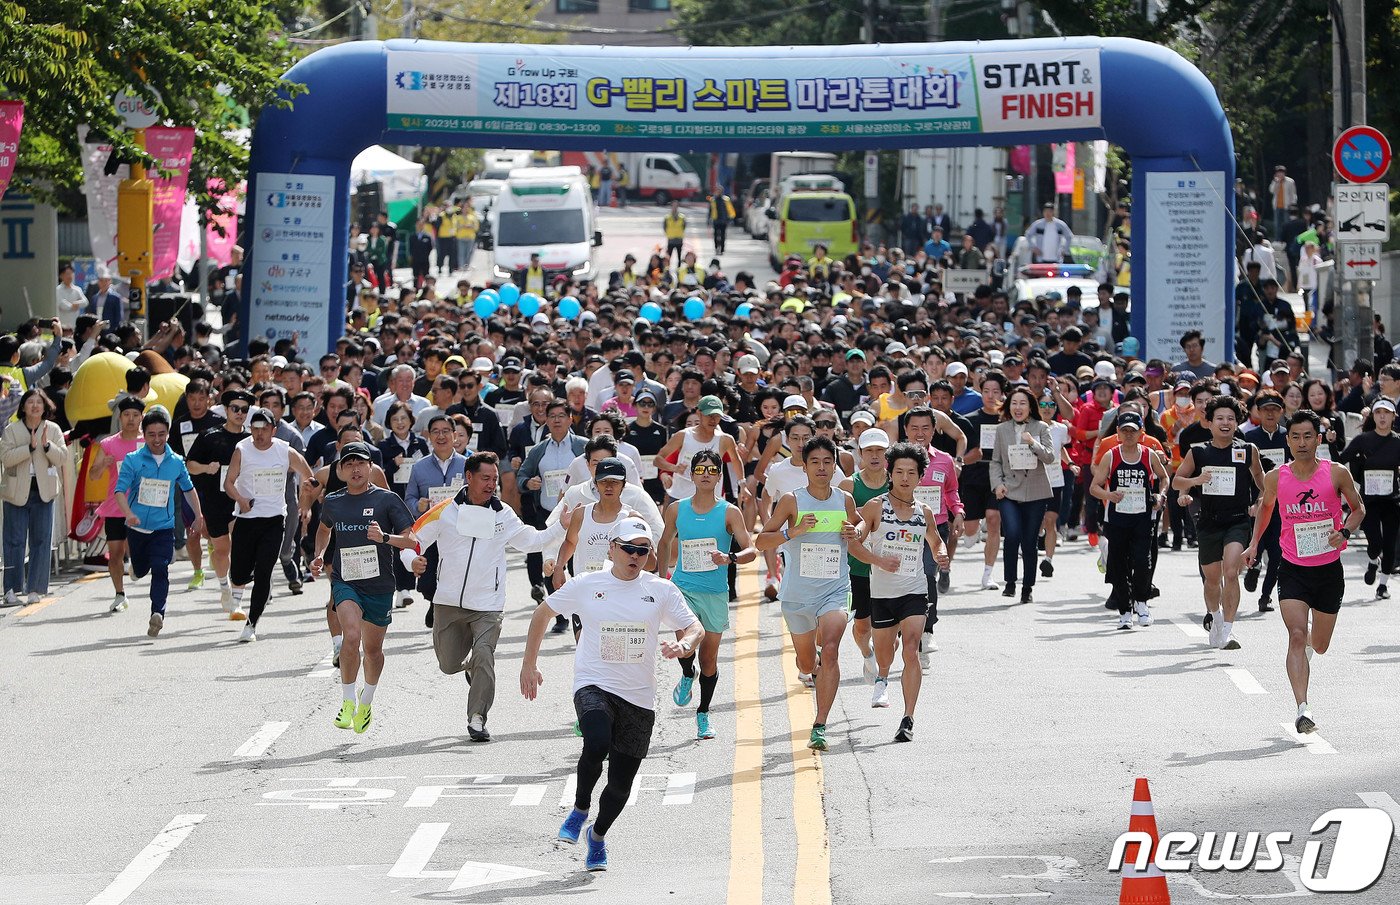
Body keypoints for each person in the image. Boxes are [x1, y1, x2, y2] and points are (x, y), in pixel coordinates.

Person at [519, 517, 703, 871]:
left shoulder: (660, 589)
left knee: (620, 786)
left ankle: (598, 835)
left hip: (638, 696)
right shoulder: (588, 584)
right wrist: (529, 664)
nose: (635, 555)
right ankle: (580, 807)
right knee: (597, 739)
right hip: (593, 682)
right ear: (612, 549)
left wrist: (684, 643)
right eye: (629, 548)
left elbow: (694, 626)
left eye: (643, 550)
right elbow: (543, 613)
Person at [407, 451, 568, 741]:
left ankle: (477, 717)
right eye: (485, 478)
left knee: (484, 654)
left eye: (495, 479)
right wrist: (411, 561)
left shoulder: (503, 514)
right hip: (448, 602)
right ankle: (470, 667)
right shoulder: (444, 510)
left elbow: (532, 541)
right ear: (468, 477)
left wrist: (561, 526)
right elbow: (413, 539)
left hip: (487, 605)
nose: (491, 484)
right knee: (448, 665)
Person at [1243, 410, 1364, 735]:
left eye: (1308, 436)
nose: (1301, 442)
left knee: (1319, 645)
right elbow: (1266, 508)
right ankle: (1302, 708)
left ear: (1318, 439)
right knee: (1296, 636)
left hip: (1328, 572)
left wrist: (1346, 533)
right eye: (1295, 436)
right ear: (1288, 441)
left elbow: (1358, 508)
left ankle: (1312, 643)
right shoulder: (1276, 477)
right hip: (1293, 570)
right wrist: (1254, 544)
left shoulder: (1336, 473)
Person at [756, 435, 863, 752]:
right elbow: (763, 541)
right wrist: (793, 531)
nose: (821, 467)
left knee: (830, 649)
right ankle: (809, 666)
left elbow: (857, 536)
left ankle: (820, 723)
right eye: (814, 461)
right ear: (804, 465)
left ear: (835, 466)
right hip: (798, 594)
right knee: (806, 663)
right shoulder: (792, 500)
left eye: (827, 461)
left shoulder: (844, 501)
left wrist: (853, 533)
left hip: (835, 589)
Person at [310, 442, 417, 735]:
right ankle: (346, 702)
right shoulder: (333, 501)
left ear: (370, 467)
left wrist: (384, 537)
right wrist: (319, 554)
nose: (355, 469)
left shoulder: (387, 500)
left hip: (380, 584)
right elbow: (323, 529)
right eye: (349, 464)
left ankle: (365, 700)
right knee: (351, 635)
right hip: (346, 580)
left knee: (372, 651)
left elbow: (411, 539)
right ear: (341, 471)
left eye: (361, 463)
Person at [657, 449, 757, 739]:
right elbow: (664, 543)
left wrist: (729, 558)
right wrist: (661, 580)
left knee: (709, 660)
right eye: (699, 470)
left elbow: (750, 550)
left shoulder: (729, 511)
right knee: (686, 647)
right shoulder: (677, 509)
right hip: (683, 589)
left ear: (718, 475)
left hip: (714, 593)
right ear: (691, 475)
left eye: (711, 470)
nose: (705, 475)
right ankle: (687, 674)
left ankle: (703, 713)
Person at [852, 442, 948, 742]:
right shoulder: (875, 507)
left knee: (910, 648)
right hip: (882, 593)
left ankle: (908, 718)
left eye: (911, 472)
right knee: (885, 654)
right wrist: (878, 559)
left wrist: (942, 554)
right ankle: (882, 675)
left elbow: (935, 541)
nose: (905, 478)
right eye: (899, 472)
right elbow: (856, 541)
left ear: (921, 477)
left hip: (914, 590)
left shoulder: (925, 511)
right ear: (890, 474)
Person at [1172, 395, 1265, 650]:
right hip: (1209, 522)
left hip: (1237, 521)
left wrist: (1260, 499)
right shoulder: (1199, 451)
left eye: (1231, 419)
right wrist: (1195, 481)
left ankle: (1227, 630)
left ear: (1237, 423)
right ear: (1210, 422)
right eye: (1220, 418)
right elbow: (1176, 481)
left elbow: (1261, 480)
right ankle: (1215, 617)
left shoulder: (1247, 450)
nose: (1226, 423)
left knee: (1231, 572)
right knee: (1212, 579)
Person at [112, 408, 206, 637]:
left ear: (168, 434)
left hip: (164, 528)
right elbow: (119, 491)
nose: (157, 439)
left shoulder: (176, 462)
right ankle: (136, 566)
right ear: (143, 434)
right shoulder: (133, 460)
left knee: (161, 569)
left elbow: (188, 489)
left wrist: (198, 515)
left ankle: (158, 614)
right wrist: (128, 514)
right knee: (142, 570)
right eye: (151, 434)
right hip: (136, 527)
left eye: (161, 434)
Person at [223, 407, 316, 640]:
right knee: (240, 573)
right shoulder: (242, 449)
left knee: (265, 572)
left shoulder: (284, 451)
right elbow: (228, 482)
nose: (259, 434)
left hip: (274, 520)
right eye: (255, 429)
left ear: (274, 430)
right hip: (246, 519)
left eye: (264, 429)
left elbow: (310, 478)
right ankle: (243, 579)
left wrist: (307, 504)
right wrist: (241, 500)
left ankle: (251, 624)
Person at [1091, 413, 1170, 629]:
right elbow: (1094, 486)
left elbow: (1164, 477)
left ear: (1141, 433)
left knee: (1142, 562)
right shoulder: (1111, 455)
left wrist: (1160, 496)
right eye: (1124, 430)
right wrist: (1109, 496)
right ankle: (1125, 612)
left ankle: (1141, 604)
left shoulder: (1148, 454)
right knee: (1118, 564)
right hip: (1117, 518)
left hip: (1143, 516)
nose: (1128, 434)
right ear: (1117, 432)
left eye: (1132, 430)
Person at [187, 389, 252, 616]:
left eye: (244, 410)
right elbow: (190, 464)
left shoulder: (251, 439)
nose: (240, 413)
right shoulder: (209, 436)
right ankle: (224, 586)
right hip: (215, 502)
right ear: (226, 410)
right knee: (222, 550)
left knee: (242, 548)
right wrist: (207, 468)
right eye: (235, 408)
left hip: (242, 502)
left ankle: (237, 599)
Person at [988, 386, 1057, 603]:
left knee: (1029, 541)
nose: (1018, 408)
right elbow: (995, 461)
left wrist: (1033, 442)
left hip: (1035, 492)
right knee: (1012, 534)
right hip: (1009, 490)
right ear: (1009, 406)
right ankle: (1010, 582)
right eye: (1014, 403)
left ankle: (1028, 587)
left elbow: (1049, 457)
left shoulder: (1041, 427)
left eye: (1023, 403)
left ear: (1030, 407)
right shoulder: (1002, 429)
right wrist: (997, 484)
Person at [1, 389, 67, 606]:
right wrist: (28, 448)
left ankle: (36, 588)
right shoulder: (12, 430)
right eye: (30, 402)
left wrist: (47, 446)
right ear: (23, 406)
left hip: (44, 491)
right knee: (14, 541)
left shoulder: (53, 429)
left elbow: (62, 457)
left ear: (45, 406)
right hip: (16, 491)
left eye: (39, 402)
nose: (35, 406)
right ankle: (11, 589)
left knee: (41, 541)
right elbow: (6, 458)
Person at [838, 428, 889, 682]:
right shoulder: (849, 485)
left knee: (891, 626)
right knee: (862, 626)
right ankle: (867, 654)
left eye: (880, 450)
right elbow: (838, 521)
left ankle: (882, 669)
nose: (875, 455)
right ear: (860, 454)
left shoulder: (897, 482)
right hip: (857, 564)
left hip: (890, 564)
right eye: (869, 450)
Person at [1336, 399, 1400, 599]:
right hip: (1369, 501)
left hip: (1392, 500)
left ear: (1393, 416)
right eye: (1378, 412)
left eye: (1387, 413)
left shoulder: (1397, 441)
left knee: (1390, 543)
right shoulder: (1364, 440)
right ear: (1373, 416)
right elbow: (1340, 458)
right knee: (1375, 542)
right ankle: (1373, 561)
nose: (1382, 416)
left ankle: (1383, 585)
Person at [89, 396, 146, 612]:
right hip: (114, 506)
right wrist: (103, 464)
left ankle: (136, 564)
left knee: (138, 549)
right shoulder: (108, 444)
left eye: (135, 415)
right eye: (126, 415)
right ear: (120, 417)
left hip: (141, 505)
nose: (131, 419)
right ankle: (119, 594)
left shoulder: (147, 441)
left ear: (142, 417)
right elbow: (93, 475)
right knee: (115, 553)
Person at [653, 395, 746, 505]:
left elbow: (736, 460)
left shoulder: (725, 439)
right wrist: (674, 468)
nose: (713, 420)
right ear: (699, 413)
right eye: (709, 415)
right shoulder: (683, 436)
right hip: (681, 497)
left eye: (717, 416)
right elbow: (657, 460)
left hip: (712, 500)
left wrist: (743, 484)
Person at [662, 200, 686, 267]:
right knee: (669, 256)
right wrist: (669, 234)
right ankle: (668, 269)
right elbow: (664, 227)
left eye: (676, 205)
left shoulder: (682, 217)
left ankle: (679, 269)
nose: (675, 207)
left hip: (679, 239)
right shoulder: (667, 217)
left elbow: (684, 226)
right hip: (671, 239)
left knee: (679, 256)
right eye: (673, 205)